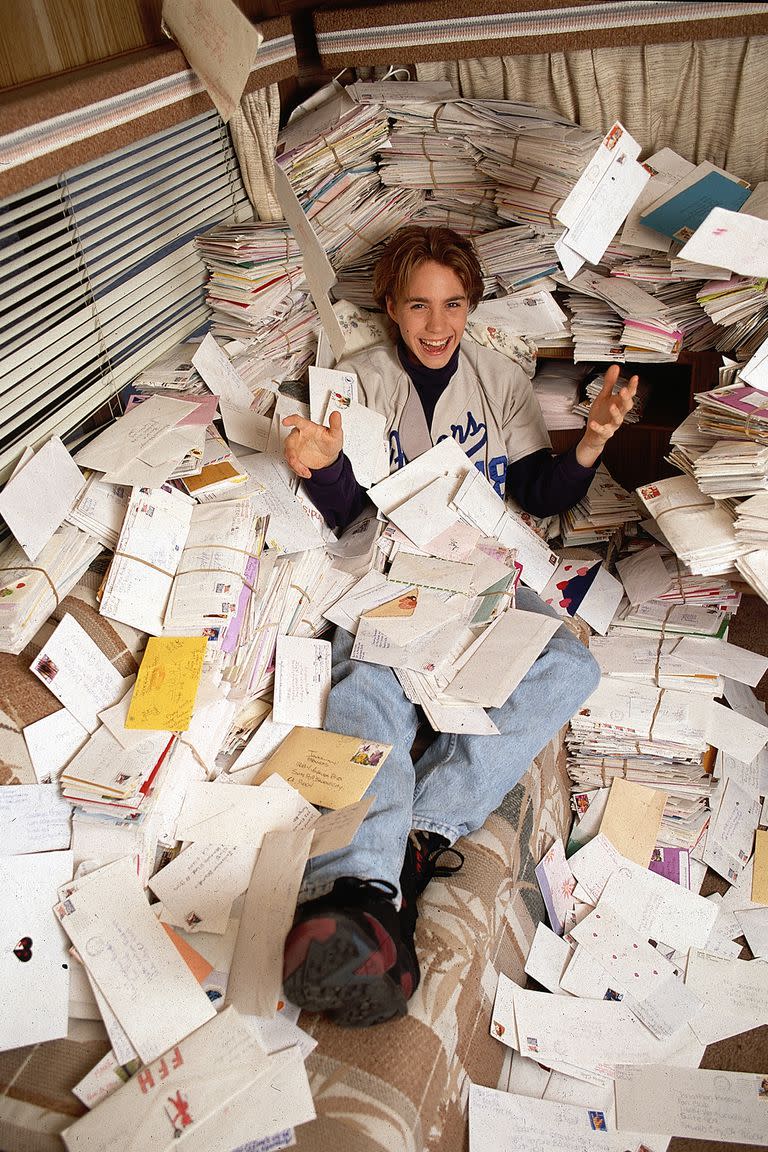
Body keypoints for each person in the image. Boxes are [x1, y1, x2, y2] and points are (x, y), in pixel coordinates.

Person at [280, 225, 637, 1028]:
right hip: (388, 576)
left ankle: (423, 828)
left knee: (569, 666)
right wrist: (324, 465)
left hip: (475, 572)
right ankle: (365, 891)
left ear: (471, 306)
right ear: (391, 307)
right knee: (369, 684)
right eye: (418, 305)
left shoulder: (499, 378)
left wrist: (592, 442)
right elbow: (347, 516)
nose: (437, 324)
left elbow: (539, 492)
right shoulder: (359, 381)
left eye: (453, 304)